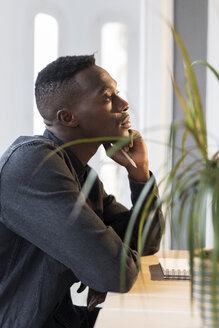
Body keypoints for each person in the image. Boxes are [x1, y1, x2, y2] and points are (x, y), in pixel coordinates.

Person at [0, 55, 163, 328]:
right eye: (107, 97)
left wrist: (140, 174)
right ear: (68, 117)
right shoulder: (35, 165)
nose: (124, 105)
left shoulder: (80, 174)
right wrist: (103, 263)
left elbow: (146, 242)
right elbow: (116, 274)